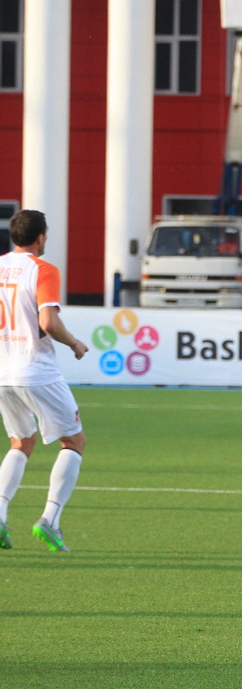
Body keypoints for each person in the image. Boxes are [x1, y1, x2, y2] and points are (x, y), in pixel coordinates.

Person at [0, 210, 90, 552]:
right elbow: (48, 321)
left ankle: (0, 514)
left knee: (21, 442)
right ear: (40, 237)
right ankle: (50, 519)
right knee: (74, 440)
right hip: (35, 369)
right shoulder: (43, 269)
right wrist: (74, 343)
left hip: (2, 372)